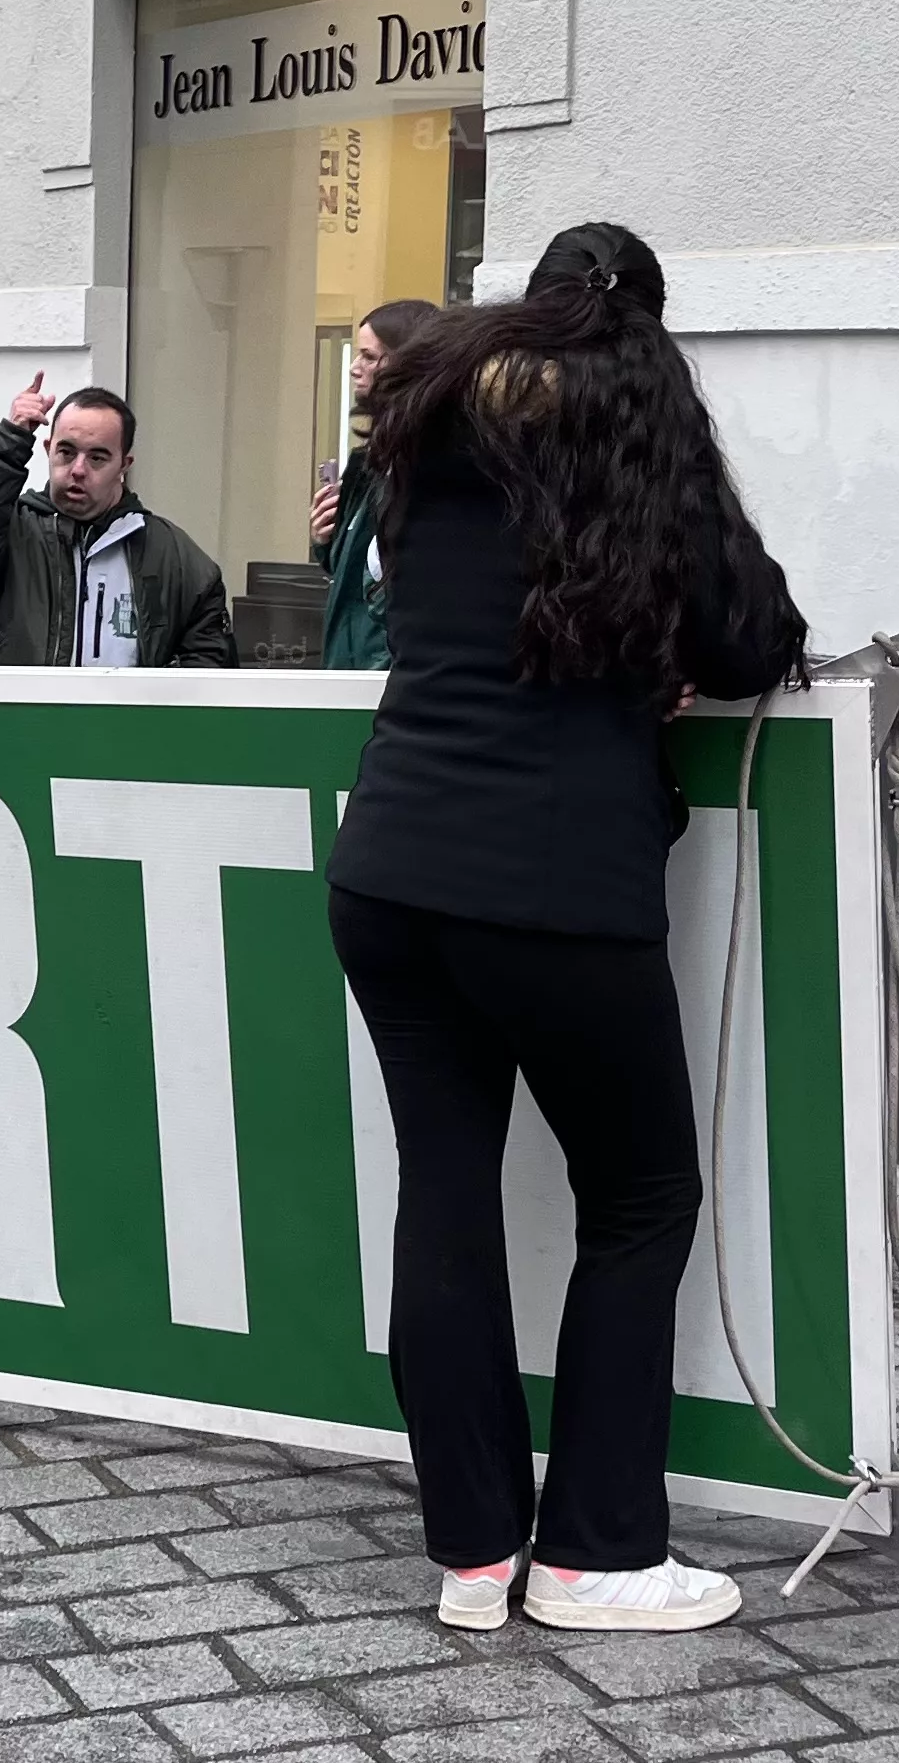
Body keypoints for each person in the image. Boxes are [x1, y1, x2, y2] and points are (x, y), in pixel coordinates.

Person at [325, 224, 805, 1637]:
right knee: (644, 1197)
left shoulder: (422, 418)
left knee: (448, 1188)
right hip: (556, 880)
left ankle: (475, 1554)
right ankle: (597, 1551)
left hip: (392, 863)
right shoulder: (642, 440)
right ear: (647, 328)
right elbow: (751, 637)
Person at [0, 373, 233, 667]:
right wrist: (11, 439)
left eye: (97, 457)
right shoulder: (13, 533)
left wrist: (151, 708)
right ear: (48, 450)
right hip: (26, 719)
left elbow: (208, 663)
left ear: (124, 465)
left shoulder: (172, 556)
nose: (77, 469)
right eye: (66, 452)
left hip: (126, 720)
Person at [313, 299, 442, 670]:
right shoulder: (372, 464)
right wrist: (326, 543)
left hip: (383, 677)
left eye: (369, 357)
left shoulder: (423, 465)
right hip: (352, 676)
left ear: (405, 363)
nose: (355, 368)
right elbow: (357, 575)